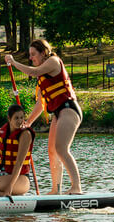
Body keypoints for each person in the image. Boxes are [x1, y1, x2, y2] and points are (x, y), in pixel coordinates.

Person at [5, 38, 83, 194]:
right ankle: (56, 190)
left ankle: (76, 187)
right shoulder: (42, 78)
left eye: (33, 54)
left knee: (61, 149)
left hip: (69, 109)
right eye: (30, 55)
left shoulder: (53, 61)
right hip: (58, 114)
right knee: (52, 151)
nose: (31, 58)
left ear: (43, 53)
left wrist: (13, 62)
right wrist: (28, 122)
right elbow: (41, 105)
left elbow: (32, 72)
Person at [0, 104, 34, 197]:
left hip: (21, 180)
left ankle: (8, 195)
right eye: (16, 118)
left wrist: (9, 187)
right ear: (9, 118)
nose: (20, 121)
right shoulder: (0, 132)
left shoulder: (25, 134)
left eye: (22, 117)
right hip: (4, 175)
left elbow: (19, 163)